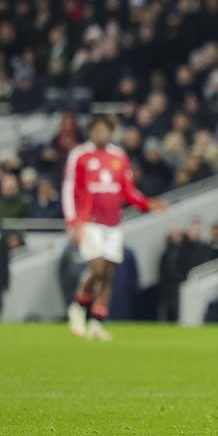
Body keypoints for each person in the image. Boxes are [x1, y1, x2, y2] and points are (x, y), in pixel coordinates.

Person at [63, 115, 167, 340]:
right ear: (90, 132)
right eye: (97, 130)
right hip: (90, 222)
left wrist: (147, 204)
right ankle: (78, 304)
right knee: (97, 268)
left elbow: (128, 191)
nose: (101, 134)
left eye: (105, 130)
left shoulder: (118, 157)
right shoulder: (80, 156)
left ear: (111, 133)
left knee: (108, 274)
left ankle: (97, 323)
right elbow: (70, 189)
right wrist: (73, 222)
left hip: (113, 224)